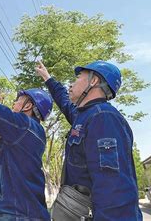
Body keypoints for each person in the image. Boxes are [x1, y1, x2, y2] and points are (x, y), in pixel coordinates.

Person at [36, 60, 143, 220]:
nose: (70, 85)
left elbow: (113, 187)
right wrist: (47, 78)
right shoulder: (84, 116)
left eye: (77, 78)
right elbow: (64, 101)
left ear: (93, 81)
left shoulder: (103, 118)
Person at [0, 79, 53, 220]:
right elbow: (3, 119)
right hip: (25, 211)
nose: (13, 103)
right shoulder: (31, 131)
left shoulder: (25, 126)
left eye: (18, 100)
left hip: (15, 212)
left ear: (28, 106)